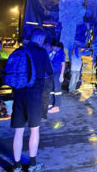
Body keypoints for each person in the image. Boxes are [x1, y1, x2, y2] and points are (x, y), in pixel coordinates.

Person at [11, 28, 53, 172]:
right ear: (41, 39)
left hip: (18, 94)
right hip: (34, 96)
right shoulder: (41, 52)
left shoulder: (21, 50)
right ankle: (32, 165)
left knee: (18, 132)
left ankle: (16, 166)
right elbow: (49, 70)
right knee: (34, 130)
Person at [48, 41, 65, 113]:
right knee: (51, 89)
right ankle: (50, 103)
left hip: (57, 73)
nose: (54, 48)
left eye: (56, 46)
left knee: (57, 89)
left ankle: (57, 106)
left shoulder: (61, 53)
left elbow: (63, 65)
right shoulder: (51, 53)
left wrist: (61, 75)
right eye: (53, 46)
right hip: (52, 73)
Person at [41, 41, 53, 121]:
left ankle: (43, 115)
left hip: (46, 79)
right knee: (44, 98)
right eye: (48, 46)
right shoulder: (44, 55)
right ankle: (42, 115)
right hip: (44, 79)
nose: (50, 47)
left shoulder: (49, 55)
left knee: (45, 98)